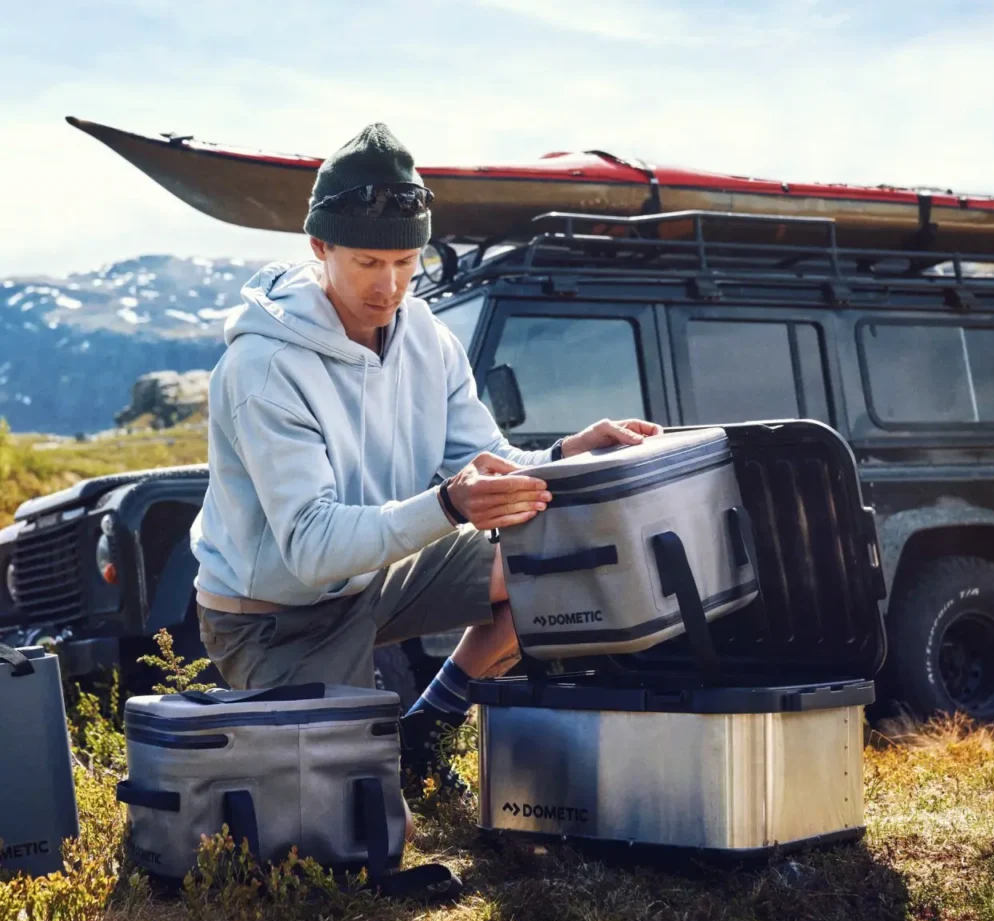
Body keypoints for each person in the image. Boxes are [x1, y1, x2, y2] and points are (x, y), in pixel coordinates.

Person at [189, 122, 662, 795]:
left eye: (405, 263)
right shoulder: (263, 368)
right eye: (367, 263)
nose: (389, 286)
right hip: (272, 619)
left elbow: (483, 458)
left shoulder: (428, 339)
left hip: (375, 575)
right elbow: (312, 550)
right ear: (320, 247)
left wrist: (564, 453)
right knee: (368, 832)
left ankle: (426, 728)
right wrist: (446, 505)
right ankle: (369, 775)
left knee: (558, 564)